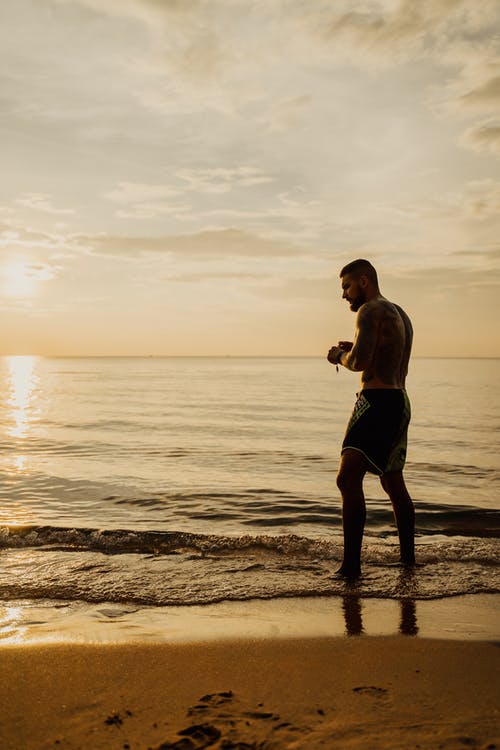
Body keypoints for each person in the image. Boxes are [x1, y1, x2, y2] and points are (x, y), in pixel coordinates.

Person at [327, 258, 415, 577]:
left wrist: (339, 356)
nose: (344, 295)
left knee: (347, 477)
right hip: (399, 400)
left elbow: (360, 363)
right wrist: (358, 348)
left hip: (376, 401)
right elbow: (386, 354)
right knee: (392, 481)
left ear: (364, 281)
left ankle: (351, 567)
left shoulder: (369, 310)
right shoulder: (399, 313)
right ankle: (408, 563)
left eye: (347, 286)